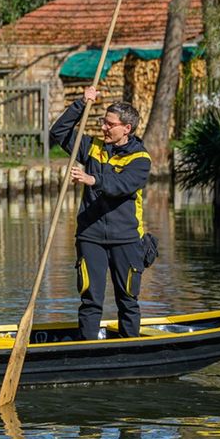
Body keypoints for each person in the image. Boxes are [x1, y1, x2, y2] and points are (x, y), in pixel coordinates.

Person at [51, 85, 152, 340]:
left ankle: (131, 349)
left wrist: (92, 180)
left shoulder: (140, 159)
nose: (104, 127)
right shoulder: (92, 147)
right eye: (102, 121)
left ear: (126, 129)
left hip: (126, 239)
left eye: (109, 124)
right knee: (90, 300)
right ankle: (86, 348)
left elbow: (122, 186)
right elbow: (58, 132)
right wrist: (81, 104)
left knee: (127, 299)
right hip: (90, 236)